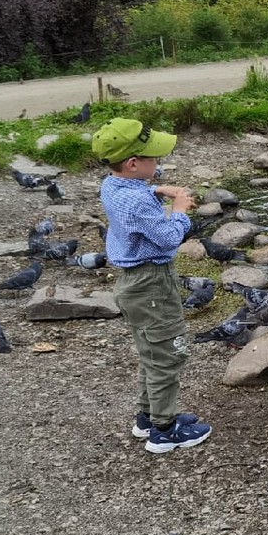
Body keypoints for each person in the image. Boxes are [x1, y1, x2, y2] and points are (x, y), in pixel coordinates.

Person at [92, 118, 213, 453]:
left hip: (133, 284)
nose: (158, 162)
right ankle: (164, 429)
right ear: (134, 163)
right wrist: (179, 211)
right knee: (167, 354)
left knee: (150, 351)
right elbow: (169, 238)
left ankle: (148, 416)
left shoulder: (112, 185)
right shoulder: (137, 202)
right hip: (152, 284)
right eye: (154, 157)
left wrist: (157, 190)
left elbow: (133, 198)